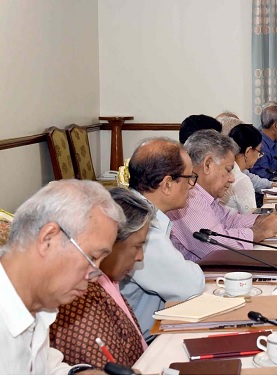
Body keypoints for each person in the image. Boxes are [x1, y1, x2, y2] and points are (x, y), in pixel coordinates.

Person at [0, 180, 124, 374]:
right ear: (49, 238)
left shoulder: (38, 302)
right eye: (92, 258)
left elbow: (42, 366)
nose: (93, 276)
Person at [50, 188, 152, 368]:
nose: (140, 257)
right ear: (110, 242)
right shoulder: (81, 296)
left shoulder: (107, 283)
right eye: (136, 246)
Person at [119, 138, 205, 339]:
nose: (191, 186)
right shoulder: (140, 227)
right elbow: (190, 287)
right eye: (189, 178)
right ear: (167, 185)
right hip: (142, 344)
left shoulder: (135, 209)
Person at [168, 130, 277, 261]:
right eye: (228, 170)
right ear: (207, 165)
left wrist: (264, 220)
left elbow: (229, 220)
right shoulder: (190, 198)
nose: (232, 178)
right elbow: (216, 249)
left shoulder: (204, 195)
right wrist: (259, 232)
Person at [221, 124, 264, 214]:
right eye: (259, 151)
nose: (259, 156)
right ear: (248, 151)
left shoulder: (222, 170)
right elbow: (251, 220)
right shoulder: (241, 180)